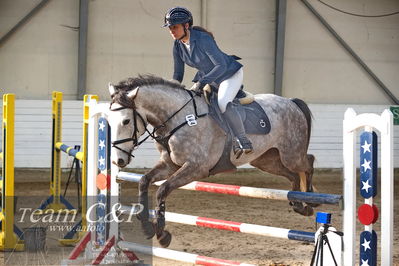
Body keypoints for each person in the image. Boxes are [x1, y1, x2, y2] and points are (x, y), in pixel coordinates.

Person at [163, 6, 253, 158]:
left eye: (175, 27)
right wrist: (171, 88)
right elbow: (178, 74)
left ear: (186, 26)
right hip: (209, 77)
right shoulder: (177, 45)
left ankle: (243, 140)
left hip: (229, 74)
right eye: (170, 28)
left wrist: (201, 82)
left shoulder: (203, 39)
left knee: (223, 102)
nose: (172, 31)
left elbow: (221, 66)